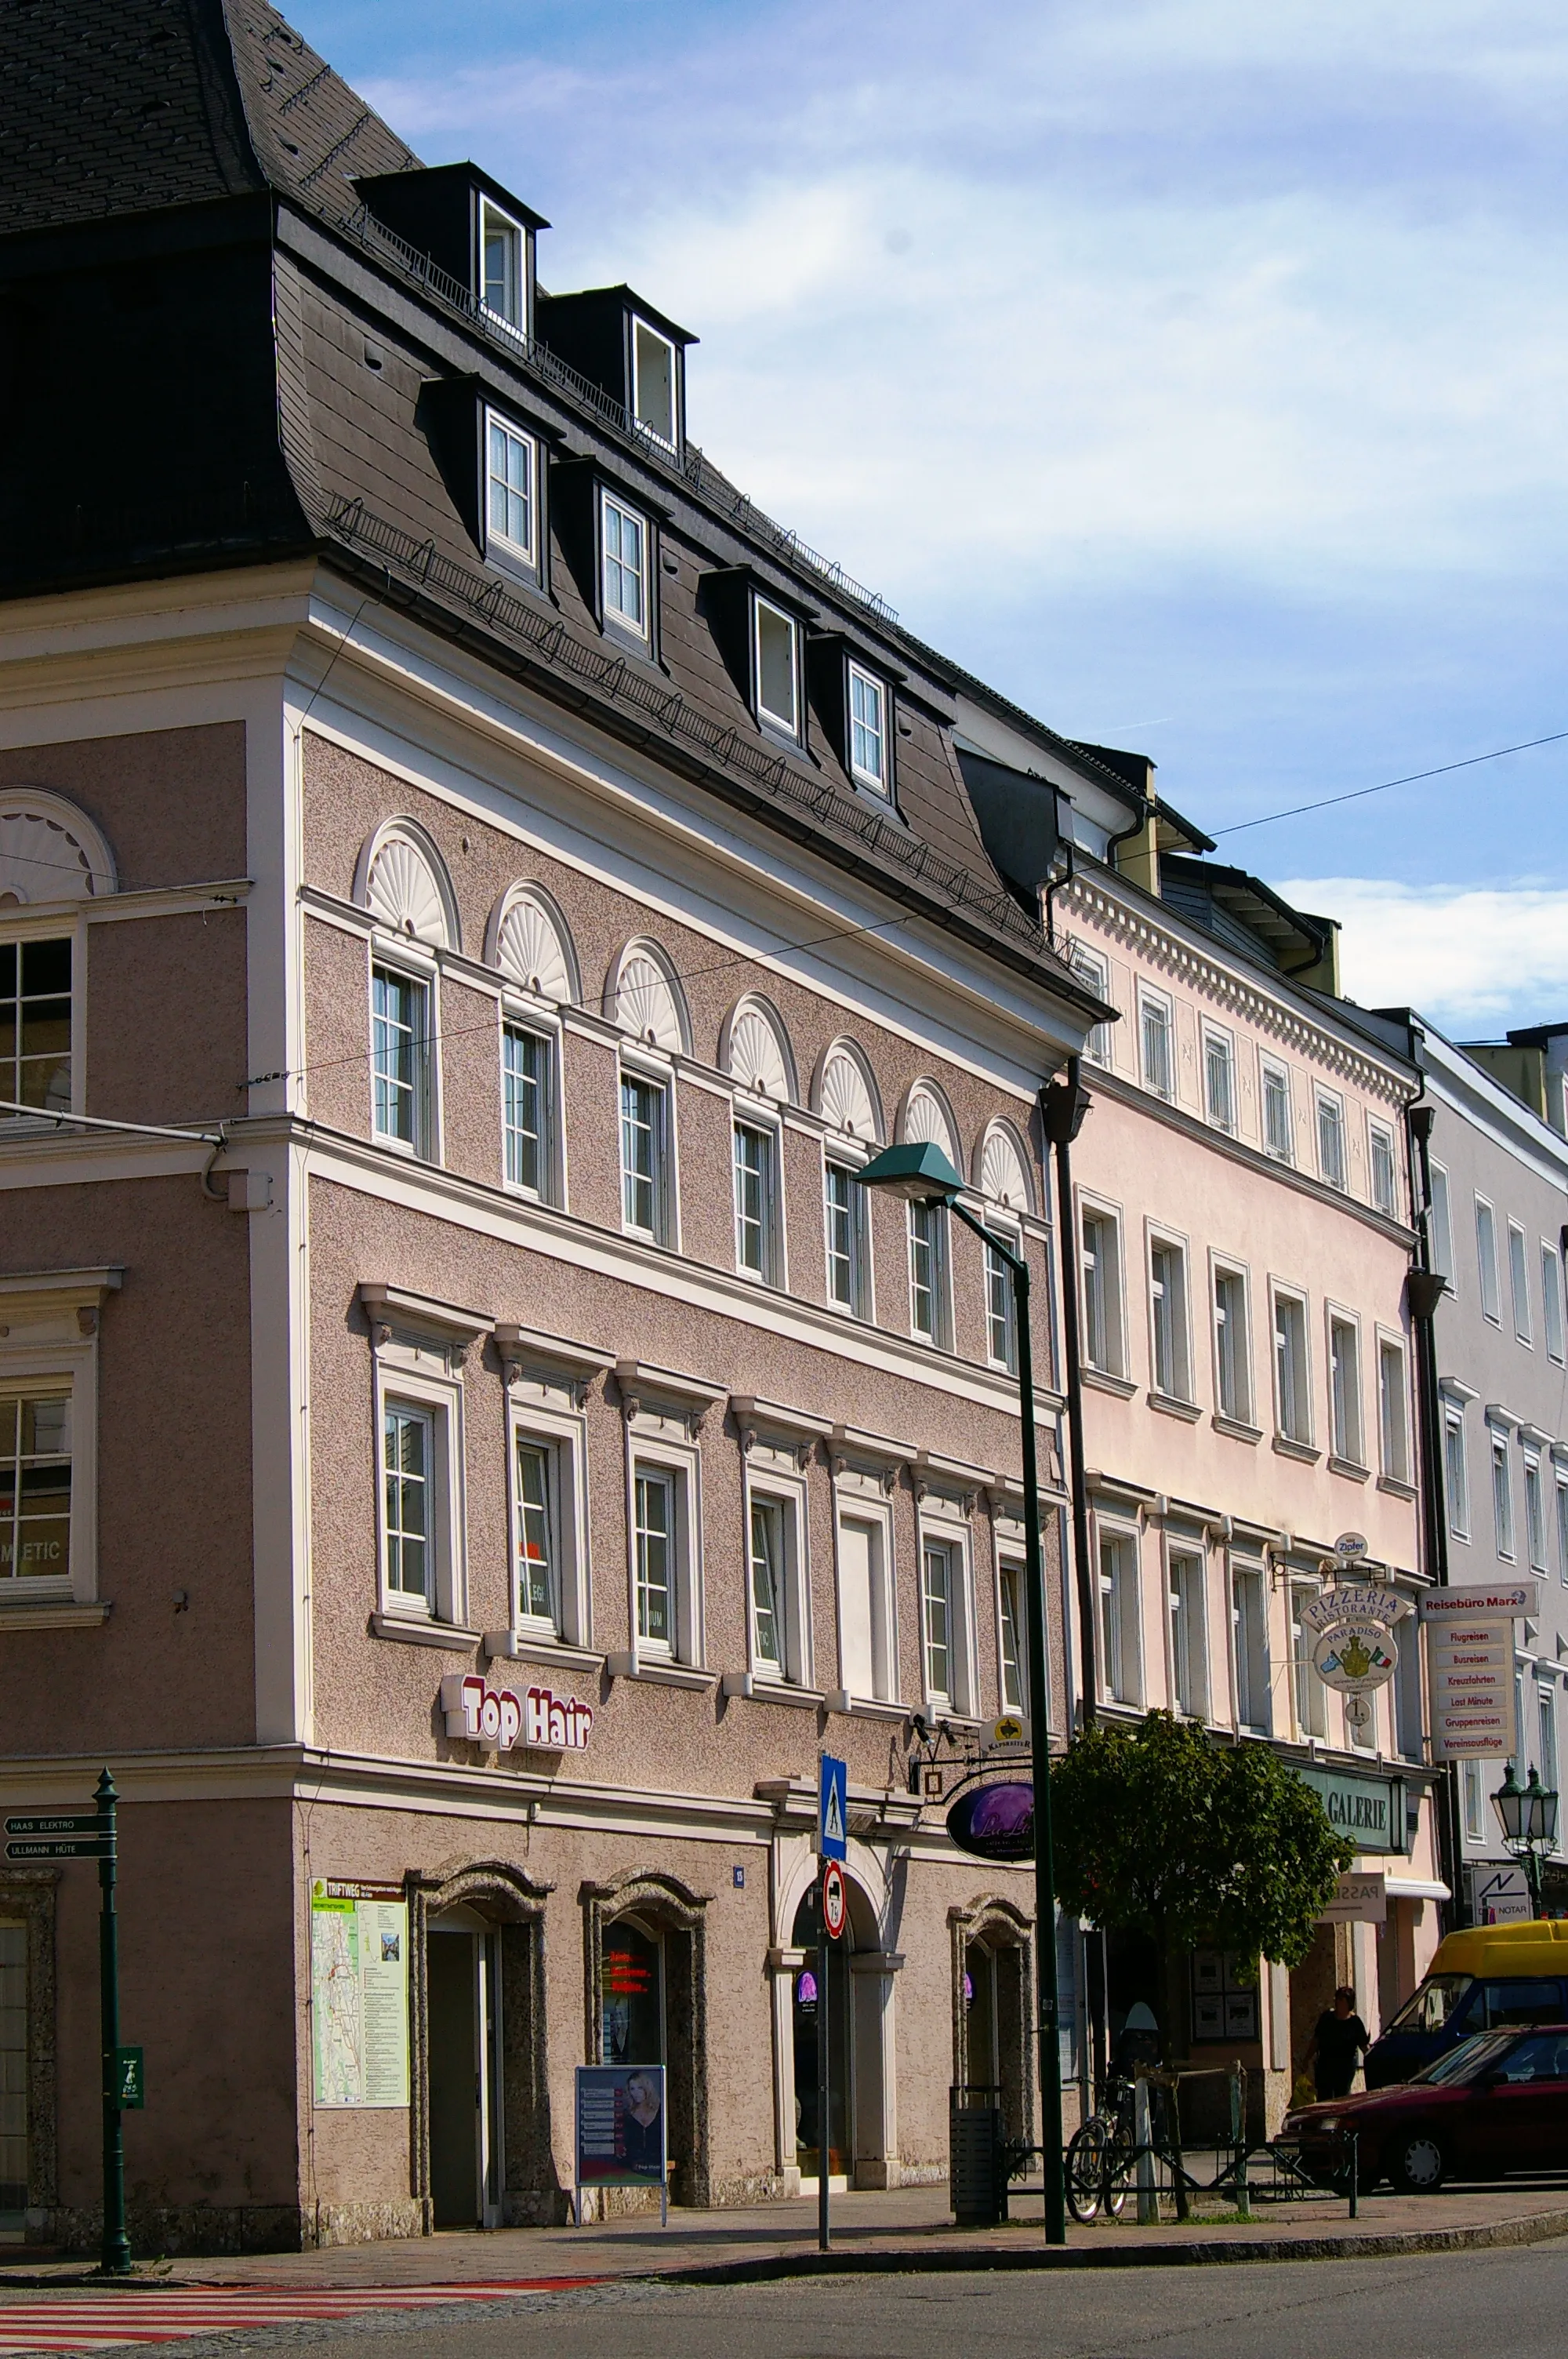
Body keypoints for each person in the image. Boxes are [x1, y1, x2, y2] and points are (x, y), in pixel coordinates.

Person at [1305, 1985, 1370, 2100]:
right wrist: (1307, 2059)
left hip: (1345, 2068)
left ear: (1349, 2003)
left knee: (1342, 2097)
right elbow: (1316, 2040)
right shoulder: (1327, 2018)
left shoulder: (1355, 2023)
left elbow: (1364, 2046)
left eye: (1341, 1999)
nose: (1337, 2002)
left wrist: (1371, 2060)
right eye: (1337, 1999)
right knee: (1324, 2098)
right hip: (1325, 2066)